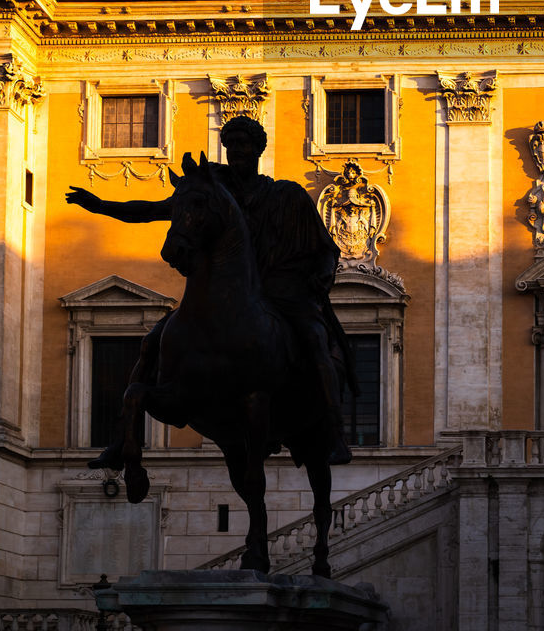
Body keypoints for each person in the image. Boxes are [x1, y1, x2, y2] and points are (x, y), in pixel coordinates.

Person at [66, 115, 353, 466]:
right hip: (229, 295)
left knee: (313, 339)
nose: (237, 153)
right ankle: (120, 440)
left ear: (258, 150)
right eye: (231, 146)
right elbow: (154, 210)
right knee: (154, 339)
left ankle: (336, 434)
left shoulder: (286, 195)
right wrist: (99, 205)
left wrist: (321, 277)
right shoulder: (212, 194)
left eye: (244, 146)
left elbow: (326, 249)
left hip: (281, 292)